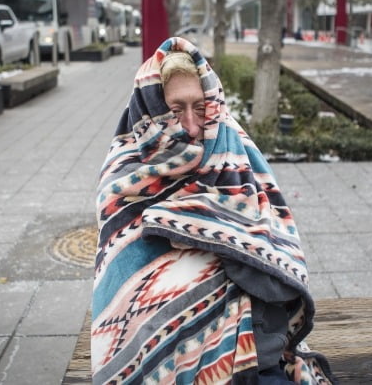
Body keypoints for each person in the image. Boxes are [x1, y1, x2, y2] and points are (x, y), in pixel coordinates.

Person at [92, 37, 336, 384]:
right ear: (152, 108)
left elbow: (277, 264)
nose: (192, 125)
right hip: (162, 344)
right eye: (175, 110)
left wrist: (222, 239)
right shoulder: (125, 172)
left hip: (254, 338)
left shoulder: (231, 145)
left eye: (200, 106)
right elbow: (125, 274)